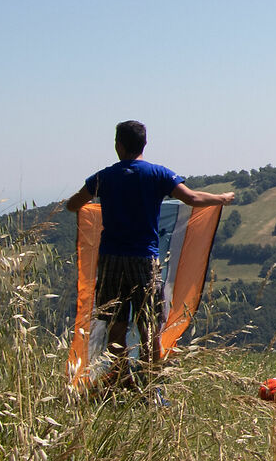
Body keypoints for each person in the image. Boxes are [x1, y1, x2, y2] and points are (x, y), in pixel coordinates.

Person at [64, 120, 234, 385]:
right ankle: (151, 384)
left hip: (111, 259)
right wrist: (221, 198)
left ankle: (121, 380)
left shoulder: (104, 177)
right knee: (149, 326)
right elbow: (192, 199)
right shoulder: (158, 174)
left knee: (116, 324)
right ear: (144, 144)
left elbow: (73, 205)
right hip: (145, 260)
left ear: (118, 145)